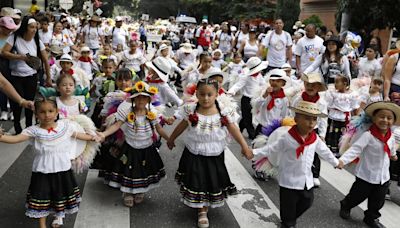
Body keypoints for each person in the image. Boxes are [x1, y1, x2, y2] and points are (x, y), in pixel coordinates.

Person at [0, 98, 100, 228]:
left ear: (57, 112)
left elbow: (80, 136)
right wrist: (2, 137)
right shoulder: (33, 131)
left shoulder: (65, 127)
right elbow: (16, 139)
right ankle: (42, 225)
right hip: (42, 171)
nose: (47, 115)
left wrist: (95, 137)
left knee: (59, 195)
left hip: (62, 170)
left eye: (50, 111)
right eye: (42, 112)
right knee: (42, 198)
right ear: (36, 114)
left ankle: (58, 216)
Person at [167, 77, 253, 228]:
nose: (205, 98)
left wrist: (244, 146)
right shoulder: (191, 110)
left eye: (209, 94)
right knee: (196, 178)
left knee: (209, 179)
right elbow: (181, 125)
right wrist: (171, 138)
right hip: (194, 152)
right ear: (196, 94)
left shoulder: (223, 112)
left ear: (216, 95)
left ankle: (204, 205)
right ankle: (202, 210)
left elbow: (233, 128)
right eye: (202, 94)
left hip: (214, 154)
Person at [253, 100, 340, 228]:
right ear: (296, 119)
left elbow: (324, 151)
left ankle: (290, 219)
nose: (311, 123)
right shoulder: (287, 137)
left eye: (314, 119)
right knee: (288, 206)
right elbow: (271, 148)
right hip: (288, 180)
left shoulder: (314, 138)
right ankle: (288, 223)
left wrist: (336, 162)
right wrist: (254, 152)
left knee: (307, 201)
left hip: (305, 179)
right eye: (307, 119)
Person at [98, 81, 169, 207]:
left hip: (146, 147)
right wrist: (104, 134)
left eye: (144, 97)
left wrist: (170, 139)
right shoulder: (127, 112)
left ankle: (139, 190)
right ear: (133, 99)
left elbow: (159, 129)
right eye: (138, 97)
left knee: (143, 170)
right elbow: (116, 125)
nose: (141, 100)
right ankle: (127, 193)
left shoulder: (152, 114)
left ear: (148, 99)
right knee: (128, 170)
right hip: (130, 146)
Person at [338, 101, 400, 228]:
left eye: (389, 118)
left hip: (383, 177)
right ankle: (346, 204)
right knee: (357, 195)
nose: (385, 120)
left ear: (393, 121)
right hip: (366, 174)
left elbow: (392, 147)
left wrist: (393, 155)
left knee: (378, 200)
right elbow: (355, 149)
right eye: (381, 116)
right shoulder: (368, 135)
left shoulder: (391, 137)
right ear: (374, 118)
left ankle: (371, 217)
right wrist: (343, 160)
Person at [1, 16, 51, 134]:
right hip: (15, 76)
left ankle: (29, 127)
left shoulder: (37, 41)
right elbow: (4, 52)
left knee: (30, 102)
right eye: (31, 27)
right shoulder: (14, 38)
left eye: (35, 27)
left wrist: (48, 77)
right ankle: (17, 126)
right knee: (17, 103)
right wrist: (20, 57)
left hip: (31, 76)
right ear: (25, 28)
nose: (34, 30)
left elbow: (45, 60)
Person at [291, 72, 328, 187]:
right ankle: (296, 171)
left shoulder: (321, 102)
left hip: (313, 129)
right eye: (307, 84)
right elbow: (292, 112)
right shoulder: (298, 98)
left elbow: (323, 119)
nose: (310, 87)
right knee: (297, 149)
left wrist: (322, 134)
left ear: (318, 87)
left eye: (314, 85)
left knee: (315, 152)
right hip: (299, 128)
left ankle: (315, 175)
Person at [227, 57, 268, 140]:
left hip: (255, 100)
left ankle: (240, 127)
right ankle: (252, 134)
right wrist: (231, 91)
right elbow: (238, 85)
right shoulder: (246, 77)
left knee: (247, 117)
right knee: (248, 117)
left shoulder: (259, 76)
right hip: (246, 100)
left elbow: (263, 84)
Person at [325, 75, 360, 157]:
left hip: (344, 118)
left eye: (337, 82)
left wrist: (356, 119)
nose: (335, 84)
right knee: (331, 132)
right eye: (334, 82)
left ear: (344, 84)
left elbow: (355, 107)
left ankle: (338, 150)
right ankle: (329, 148)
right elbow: (328, 104)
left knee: (341, 134)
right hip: (333, 116)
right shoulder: (332, 93)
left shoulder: (352, 94)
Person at [0, 16, 17, 121]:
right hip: (1, 64)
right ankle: (4, 110)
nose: (10, 30)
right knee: (2, 88)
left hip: (13, 64)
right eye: (7, 28)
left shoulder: (13, 37)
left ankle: (14, 110)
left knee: (13, 86)